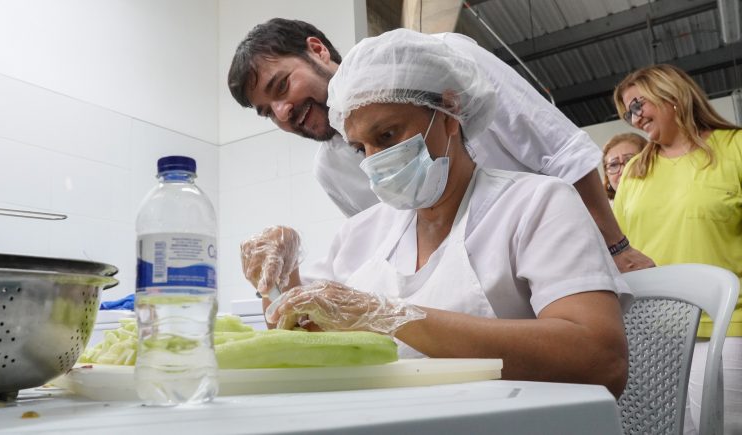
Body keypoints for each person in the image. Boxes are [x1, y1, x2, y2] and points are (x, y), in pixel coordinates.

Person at [241, 28, 631, 397]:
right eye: (361, 149)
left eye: (388, 136)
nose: (376, 162)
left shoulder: (536, 204)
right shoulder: (361, 235)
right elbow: (299, 344)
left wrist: (391, 316)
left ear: (447, 112)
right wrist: (280, 280)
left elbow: (600, 361)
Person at [227, 18, 654, 273]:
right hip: (470, 295)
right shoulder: (330, 170)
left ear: (450, 115)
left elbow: (557, 150)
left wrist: (615, 247)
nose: (282, 112)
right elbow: (391, 243)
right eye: (268, 112)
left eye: (281, 86)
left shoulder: (436, 64)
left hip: (563, 258)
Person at [613, 63, 742, 433]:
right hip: (651, 333)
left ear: (671, 93)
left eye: (638, 105)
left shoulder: (734, 149)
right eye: (626, 113)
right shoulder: (636, 170)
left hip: (725, 326)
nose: (634, 119)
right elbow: (619, 247)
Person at [601, 133, 647, 201]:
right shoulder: (602, 210)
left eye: (630, 161)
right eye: (614, 165)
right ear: (607, 175)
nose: (623, 170)